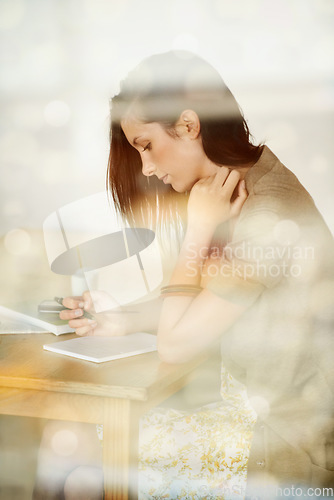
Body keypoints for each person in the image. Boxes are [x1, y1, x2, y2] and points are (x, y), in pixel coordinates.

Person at [36, 51, 334, 499]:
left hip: (282, 447)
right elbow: (203, 303)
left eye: (146, 146)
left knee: (74, 444)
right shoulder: (243, 186)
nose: (147, 168)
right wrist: (122, 319)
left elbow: (177, 344)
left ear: (190, 125)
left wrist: (198, 229)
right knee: (68, 432)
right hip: (247, 418)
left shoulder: (268, 215)